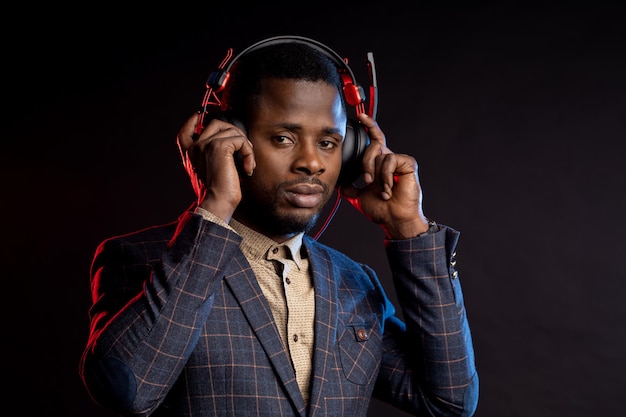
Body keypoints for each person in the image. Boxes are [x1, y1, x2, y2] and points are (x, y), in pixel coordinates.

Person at [79, 35, 479, 417]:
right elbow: (126, 390)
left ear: (354, 151)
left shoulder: (353, 284)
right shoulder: (138, 258)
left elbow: (450, 401)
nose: (312, 162)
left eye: (328, 142)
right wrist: (215, 207)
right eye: (284, 138)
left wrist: (408, 227)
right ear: (226, 139)